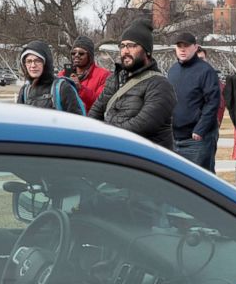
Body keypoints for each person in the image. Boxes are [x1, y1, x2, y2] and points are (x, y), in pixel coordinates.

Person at [89, 19, 176, 151]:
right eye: (122, 46)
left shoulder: (160, 85)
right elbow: (96, 111)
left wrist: (106, 135)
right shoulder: (115, 79)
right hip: (115, 153)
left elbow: (141, 126)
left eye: (132, 46)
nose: (125, 51)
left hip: (146, 162)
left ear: (147, 51)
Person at [168, 31, 221, 172]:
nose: (183, 49)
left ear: (195, 47)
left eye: (186, 46)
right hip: (175, 138)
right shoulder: (172, 71)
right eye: (179, 46)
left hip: (197, 139)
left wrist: (201, 128)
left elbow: (213, 102)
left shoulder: (206, 71)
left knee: (201, 183)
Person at [15, 40, 84, 114]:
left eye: (37, 61)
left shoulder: (62, 88)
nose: (33, 65)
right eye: (29, 61)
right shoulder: (25, 91)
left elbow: (77, 121)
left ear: (46, 63)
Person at [58, 35, 110, 113]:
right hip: (67, 119)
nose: (76, 55)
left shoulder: (103, 75)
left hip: (89, 121)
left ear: (90, 56)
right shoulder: (62, 75)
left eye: (81, 53)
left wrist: (80, 89)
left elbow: (101, 103)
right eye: (73, 53)